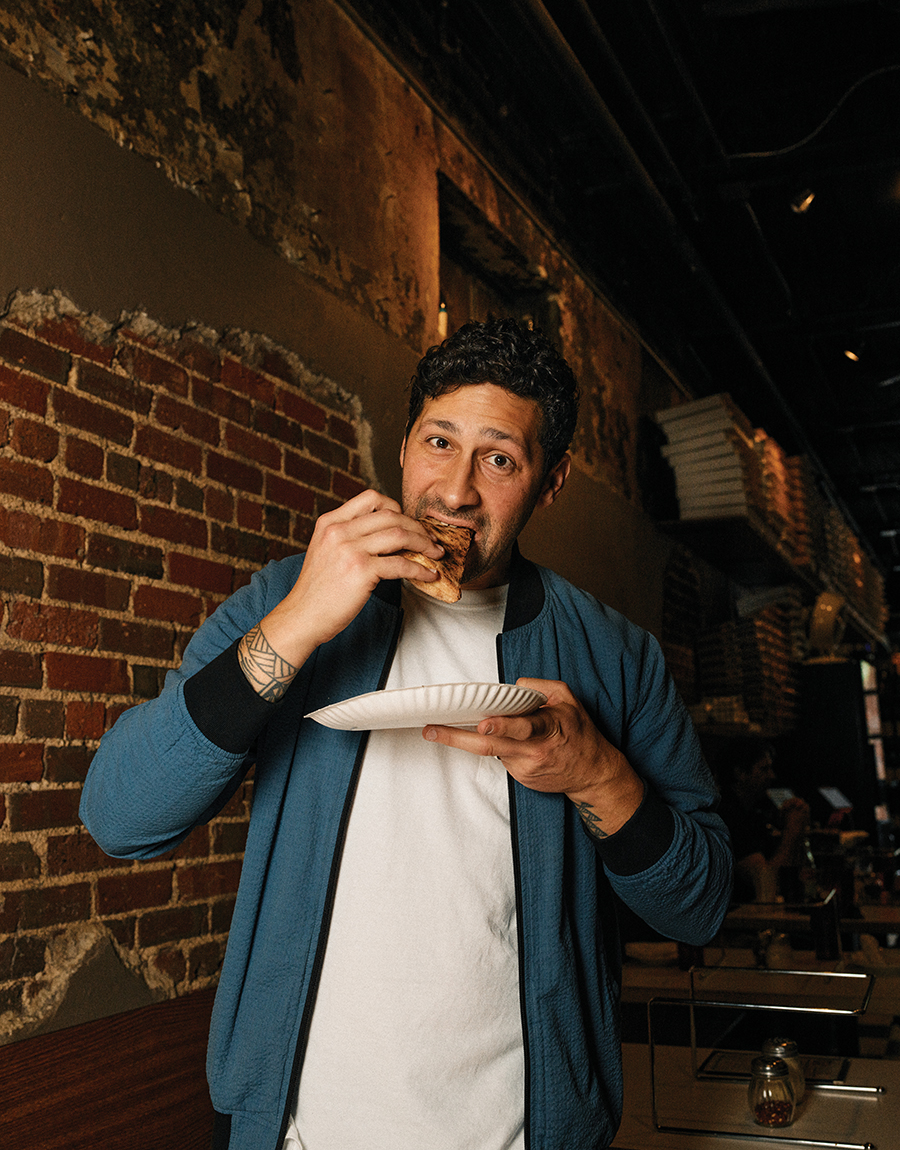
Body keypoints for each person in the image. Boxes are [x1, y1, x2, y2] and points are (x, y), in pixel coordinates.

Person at [80, 318, 733, 1150]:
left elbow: (700, 908)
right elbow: (119, 818)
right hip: (295, 1135)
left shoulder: (615, 655)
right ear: (403, 447)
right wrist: (297, 622)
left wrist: (597, 774)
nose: (455, 492)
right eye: (439, 442)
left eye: (499, 459)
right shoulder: (285, 598)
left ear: (551, 482)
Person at [715, 738, 810, 903]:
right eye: (764, 769)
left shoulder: (753, 812)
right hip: (738, 915)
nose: (772, 776)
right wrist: (792, 830)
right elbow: (767, 885)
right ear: (740, 773)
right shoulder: (728, 816)